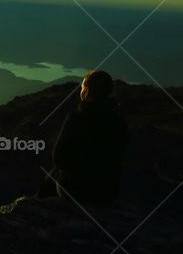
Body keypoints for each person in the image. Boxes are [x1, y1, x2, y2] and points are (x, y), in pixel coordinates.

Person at [50, 69, 128, 203]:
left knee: (52, 175)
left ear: (86, 91)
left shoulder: (76, 118)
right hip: (107, 193)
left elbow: (58, 158)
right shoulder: (119, 122)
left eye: (82, 87)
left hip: (76, 191)